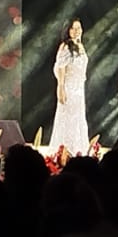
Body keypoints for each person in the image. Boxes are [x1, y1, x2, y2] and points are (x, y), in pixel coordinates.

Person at [49, 18, 90, 154]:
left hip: (79, 88)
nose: (77, 31)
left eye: (79, 28)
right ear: (68, 30)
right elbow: (61, 67)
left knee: (78, 118)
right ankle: (65, 151)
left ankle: (78, 149)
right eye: (73, 28)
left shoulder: (80, 46)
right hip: (69, 87)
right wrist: (61, 87)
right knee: (67, 119)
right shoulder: (66, 46)